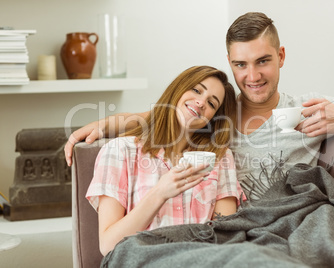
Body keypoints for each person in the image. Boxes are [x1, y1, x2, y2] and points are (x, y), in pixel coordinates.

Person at [66, 12, 334, 198]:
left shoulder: (310, 109)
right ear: (230, 62)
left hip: (290, 221)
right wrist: (98, 126)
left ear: (281, 56)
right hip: (230, 230)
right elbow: (152, 117)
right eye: (240, 65)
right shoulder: (215, 113)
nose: (252, 76)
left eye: (263, 61)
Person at [85, 65, 245, 256]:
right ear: (178, 89)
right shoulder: (120, 151)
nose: (201, 102)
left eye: (211, 103)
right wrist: (160, 193)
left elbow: (226, 237)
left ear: (213, 118)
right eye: (196, 90)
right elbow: (109, 245)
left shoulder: (219, 158)